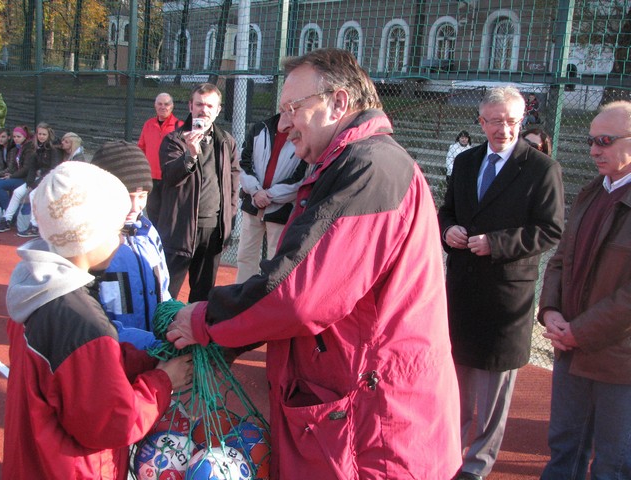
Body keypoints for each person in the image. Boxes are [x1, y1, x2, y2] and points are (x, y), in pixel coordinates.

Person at [166, 48, 462, 479]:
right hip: (358, 413)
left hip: (371, 429)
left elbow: (298, 295)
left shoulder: (369, 167)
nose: (284, 124)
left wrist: (204, 320)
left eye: (293, 108)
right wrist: (224, 341)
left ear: (339, 103)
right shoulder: (348, 165)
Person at [2, 161, 193, 480]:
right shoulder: (84, 324)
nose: (120, 240)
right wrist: (163, 381)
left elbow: (79, 373)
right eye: (116, 231)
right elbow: (113, 423)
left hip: (33, 463)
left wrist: (146, 358)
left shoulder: (34, 290)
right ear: (89, 236)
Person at [438, 86, 564, 480]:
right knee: (454, 383)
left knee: (493, 392)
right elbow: (447, 211)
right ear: (481, 122)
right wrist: (448, 230)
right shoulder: (466, 162)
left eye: (511, 121)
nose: (503, 129)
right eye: (495, 121)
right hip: (462, 291)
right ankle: (448, 455)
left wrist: (497, 243)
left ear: (522, 120)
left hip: (506, 296)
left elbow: (550, 229)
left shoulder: (542, 168)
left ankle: (477, 465)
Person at [538, 101, 631, 480]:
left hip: (620, 364)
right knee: (564, 451)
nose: (593, 150)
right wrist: (551, 312)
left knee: (613, 464)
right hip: (571, 353)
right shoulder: (591, 192)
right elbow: (561, 258)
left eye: (605, 141)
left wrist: (579, 332)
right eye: (590, 141)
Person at [157, 83, 239, 302]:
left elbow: (233, 184)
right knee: (166, 294)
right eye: (200, 104)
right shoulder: (174, 140)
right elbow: (170, 176)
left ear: (218, 110)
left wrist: (228, 220)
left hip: (213, 230)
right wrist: (190, 155)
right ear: (191, 106)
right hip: (180, 230)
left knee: (202, 297)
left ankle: (195, 325)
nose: (204, 110)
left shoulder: (226, 141)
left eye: (210, 106)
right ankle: (162, 324)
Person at [91, 140, 172, 349]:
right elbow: (91, 321)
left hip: (151, 351)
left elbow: (163, 290)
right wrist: (149, 345)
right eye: (128, 197)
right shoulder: (90, 244)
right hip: (113, 353)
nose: (135, 207)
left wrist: (175, 320)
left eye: (142, 196)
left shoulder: (149, 232)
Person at [235, 113, 307, 283]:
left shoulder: (304, 136)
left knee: (276, 260)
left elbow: (300, 178)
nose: (289, 111)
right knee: (245, 256)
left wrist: (269, 195)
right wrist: (255, 192)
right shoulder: (260, 128)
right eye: (285, 106)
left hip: (281, 209)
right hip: (253, 204)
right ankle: (242, 294)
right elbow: (243, 163)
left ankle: (269, 295)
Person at [0, 122, 61, 234]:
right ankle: (7, 219)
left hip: (49, 180)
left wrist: (35, 183)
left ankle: (34, 226)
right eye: (39, 134)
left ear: (48, 135)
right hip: (37, 179)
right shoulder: (37, 148)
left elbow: (53, 169)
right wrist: (30, 183)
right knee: (17, 192)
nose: (41, 136)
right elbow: (32, 167)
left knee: (32, 195)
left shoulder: (54, 149)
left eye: (44, 134)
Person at [138, 92, 184, 224]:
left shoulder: (179, 126)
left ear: (172, 106)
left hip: (170, 177)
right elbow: (141, 148)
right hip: (151, 177)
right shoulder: (148, 124)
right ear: (155, 105)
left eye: (166, 104)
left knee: (169, 214)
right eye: (160, 104)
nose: (163, 107)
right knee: (153, 212)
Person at [0, 126, 33, 227]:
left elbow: (26, 168)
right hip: (18, 176)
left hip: (26, 179)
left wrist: (11, 176)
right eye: (14, 137)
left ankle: (11, 215)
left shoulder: (28, 148)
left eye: (18, 136)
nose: (16, 139)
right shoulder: (18, 148)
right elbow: (13, 166)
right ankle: (4, 212)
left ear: (25, 137)